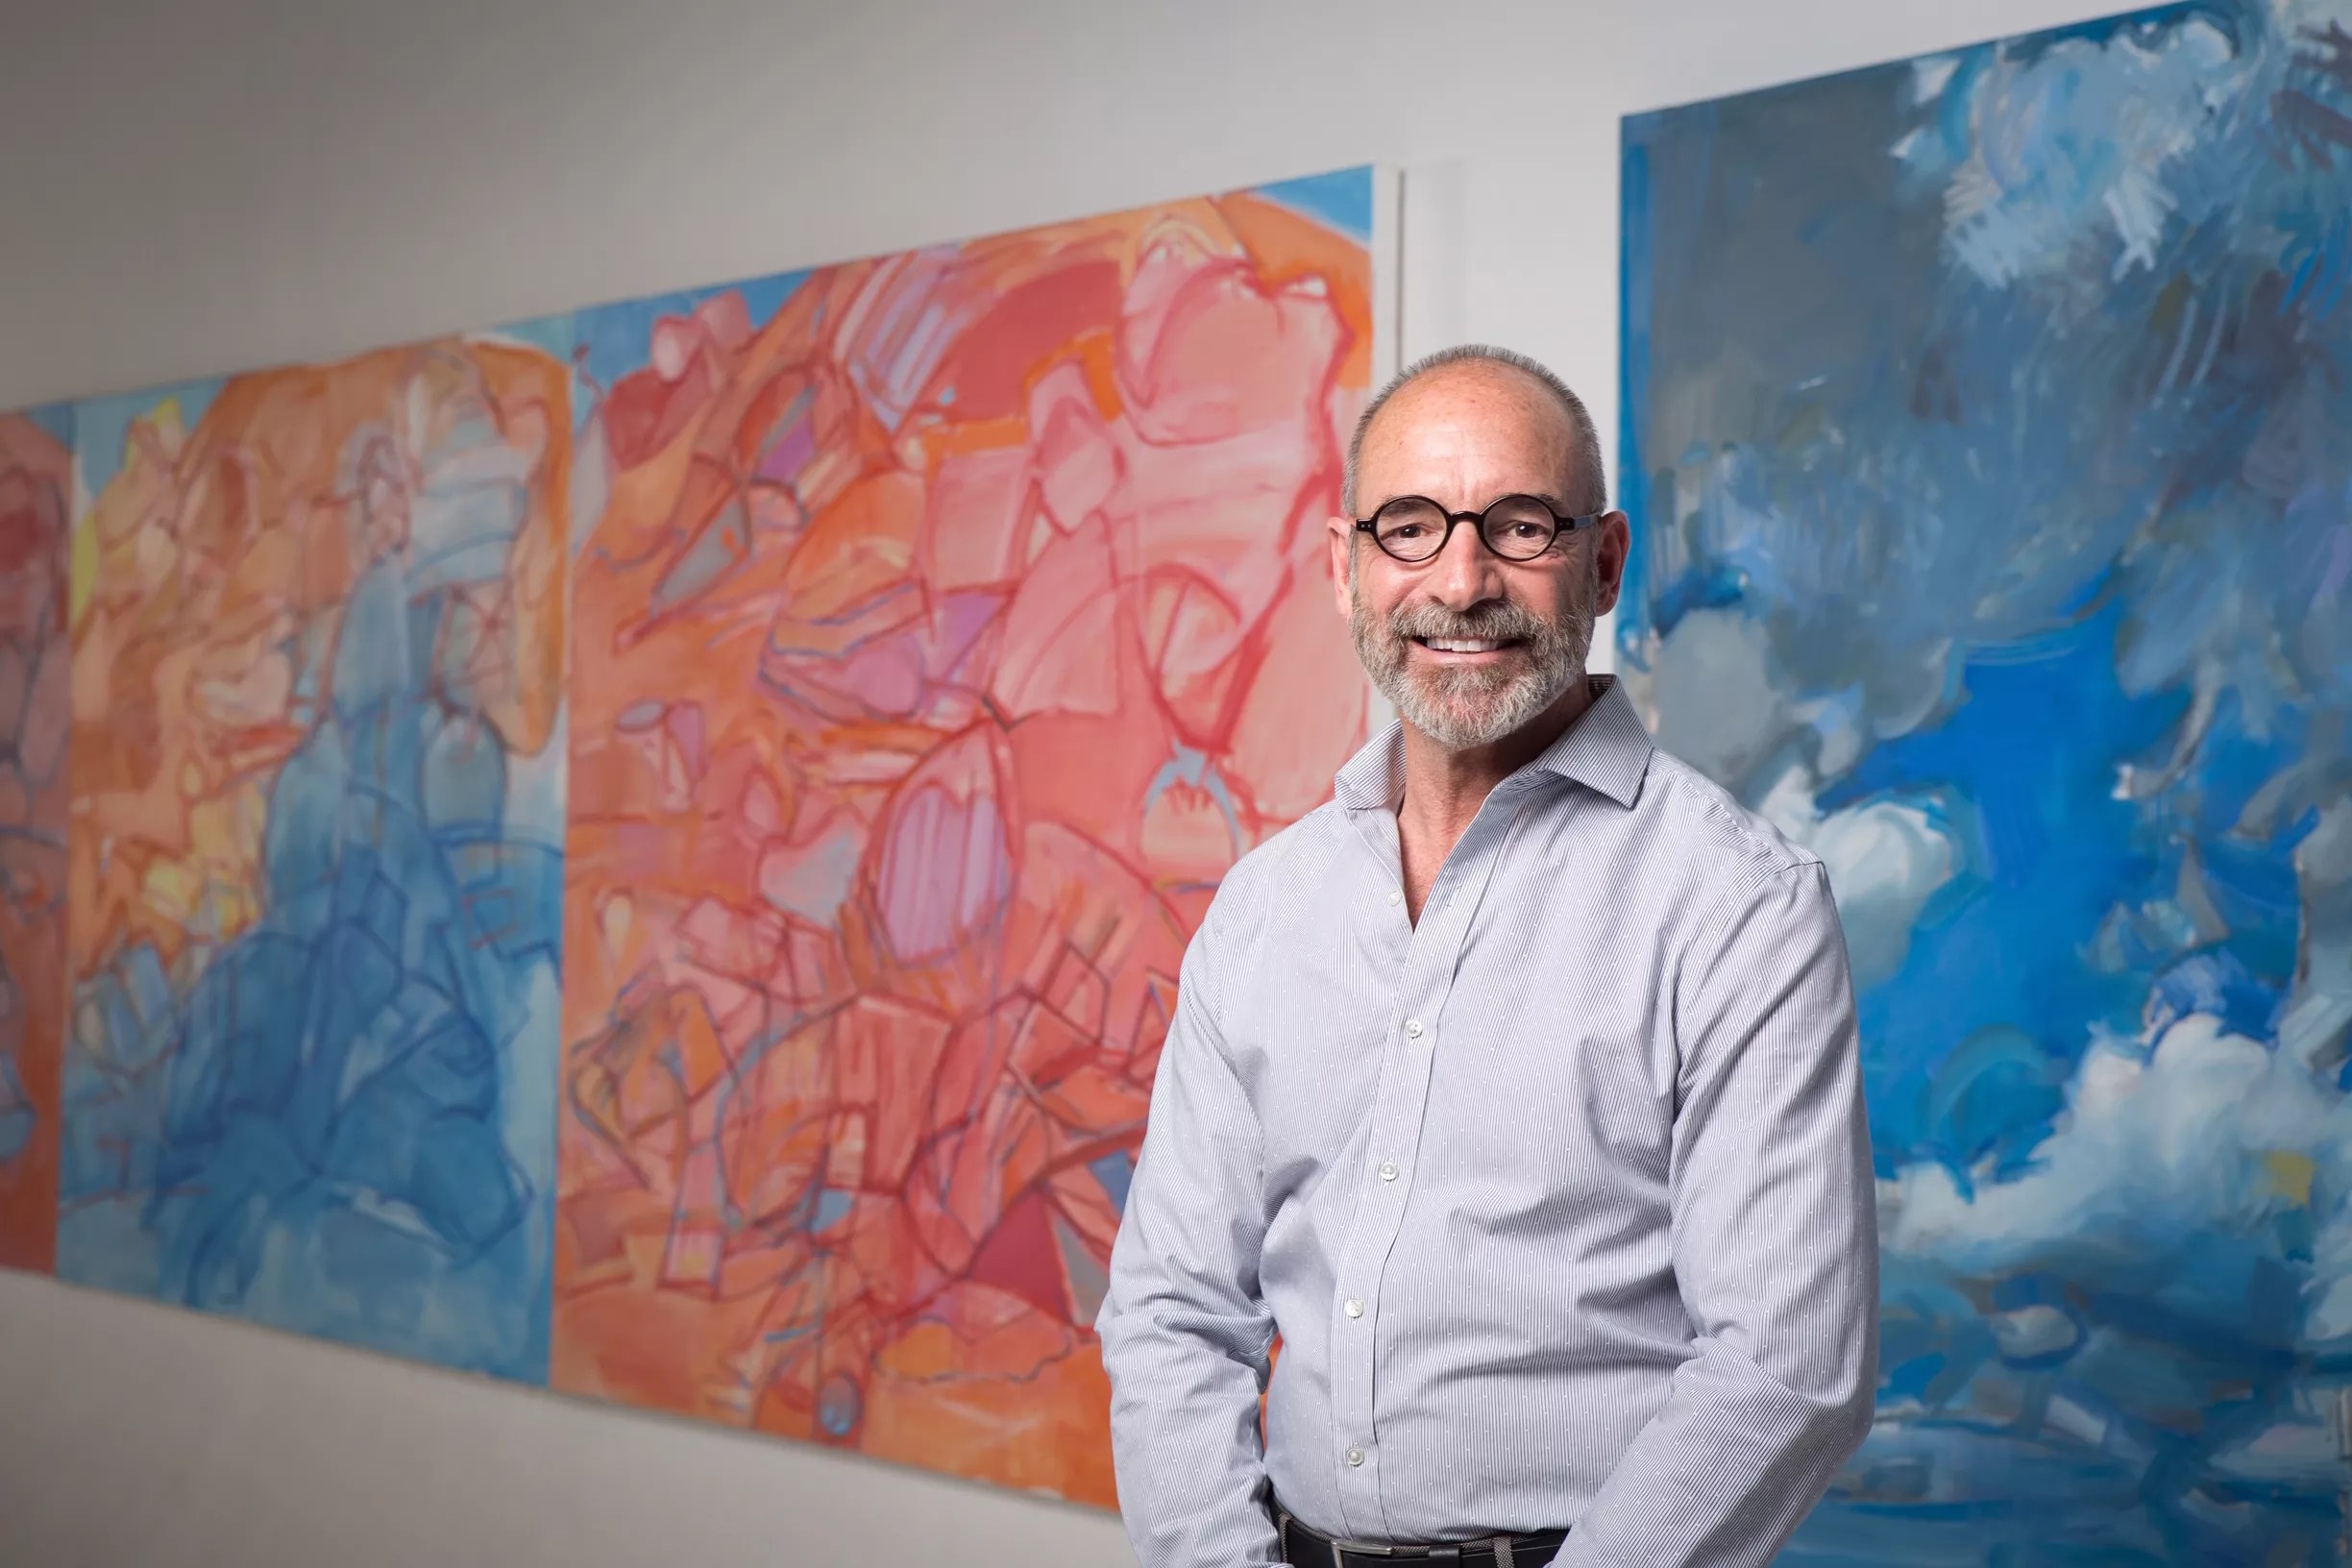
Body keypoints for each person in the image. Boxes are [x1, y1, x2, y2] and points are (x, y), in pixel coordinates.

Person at [1095, 346, 1878, 1567]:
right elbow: (1170, 1311)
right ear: (1346, 569)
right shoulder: (1264, 909)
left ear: (1603, 564)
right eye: (1410, 528)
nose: (1461, 584)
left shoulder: (1739, 908)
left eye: (1519, 526)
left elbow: (1784, 1368)